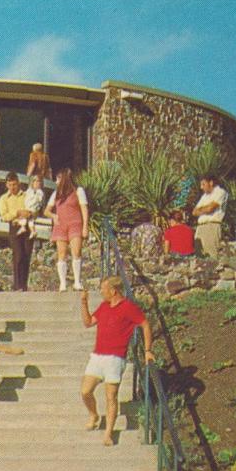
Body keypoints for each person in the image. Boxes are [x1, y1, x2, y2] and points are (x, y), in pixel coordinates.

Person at [80, 277, 154, 447]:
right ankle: (94, 414)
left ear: (113, 291)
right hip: (98, 356)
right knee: (85, 391)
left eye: (103, 289)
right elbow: (88, 322)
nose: (101, 292)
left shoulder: (129, 308)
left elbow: (145, 324)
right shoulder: (104, 306)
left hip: (115, 358)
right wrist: (84, 303)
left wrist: (148, 350)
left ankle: (108, 433)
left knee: (111, 396)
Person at [44, 169, 89, 291]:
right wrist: (54, 216)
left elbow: (84, 209)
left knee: (76, 252)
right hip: (61, 226)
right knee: (61, 254)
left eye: (58, 179)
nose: (56, 181)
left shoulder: (78, 191)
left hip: (75, 224)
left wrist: (85, 226)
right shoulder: (56, 193)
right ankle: (63, 283)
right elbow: (46, 211)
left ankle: (77, 281)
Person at [0, 172, 35, 290]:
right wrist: (17, 213)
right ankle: (17, 284)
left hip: (27, 226)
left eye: (14, 184)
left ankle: (24, 284)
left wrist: (30, 213)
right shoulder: (4, 198)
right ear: (6, 185)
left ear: (18, 183)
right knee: (18, 254)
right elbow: (4, 216)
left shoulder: (26, 195)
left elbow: (35, 208)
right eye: (10, 185)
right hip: (15, 226)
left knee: (26, 255)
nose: (12, 188)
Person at [191, 174, 227, 258]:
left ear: (211, 183)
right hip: (201, 227)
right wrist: (205, 208)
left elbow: (210, 208)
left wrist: (202, 209)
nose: (201, 187)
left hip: (211, 226)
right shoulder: (204, 196)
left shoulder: (220, 192)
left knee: (211, 254)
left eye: (203, 184)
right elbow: (194, 212)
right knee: (199, 254)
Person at [22, 174, 46, 240]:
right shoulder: (29, 190)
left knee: (30, 219)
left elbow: (39, 201)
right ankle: (31, 230)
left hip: (33, 208)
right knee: (29, 220)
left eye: (38, 181)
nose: (36, 183)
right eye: (35, 181)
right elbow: (25, 195)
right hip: (27, 206)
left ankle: (30, 230)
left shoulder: (40, 192)